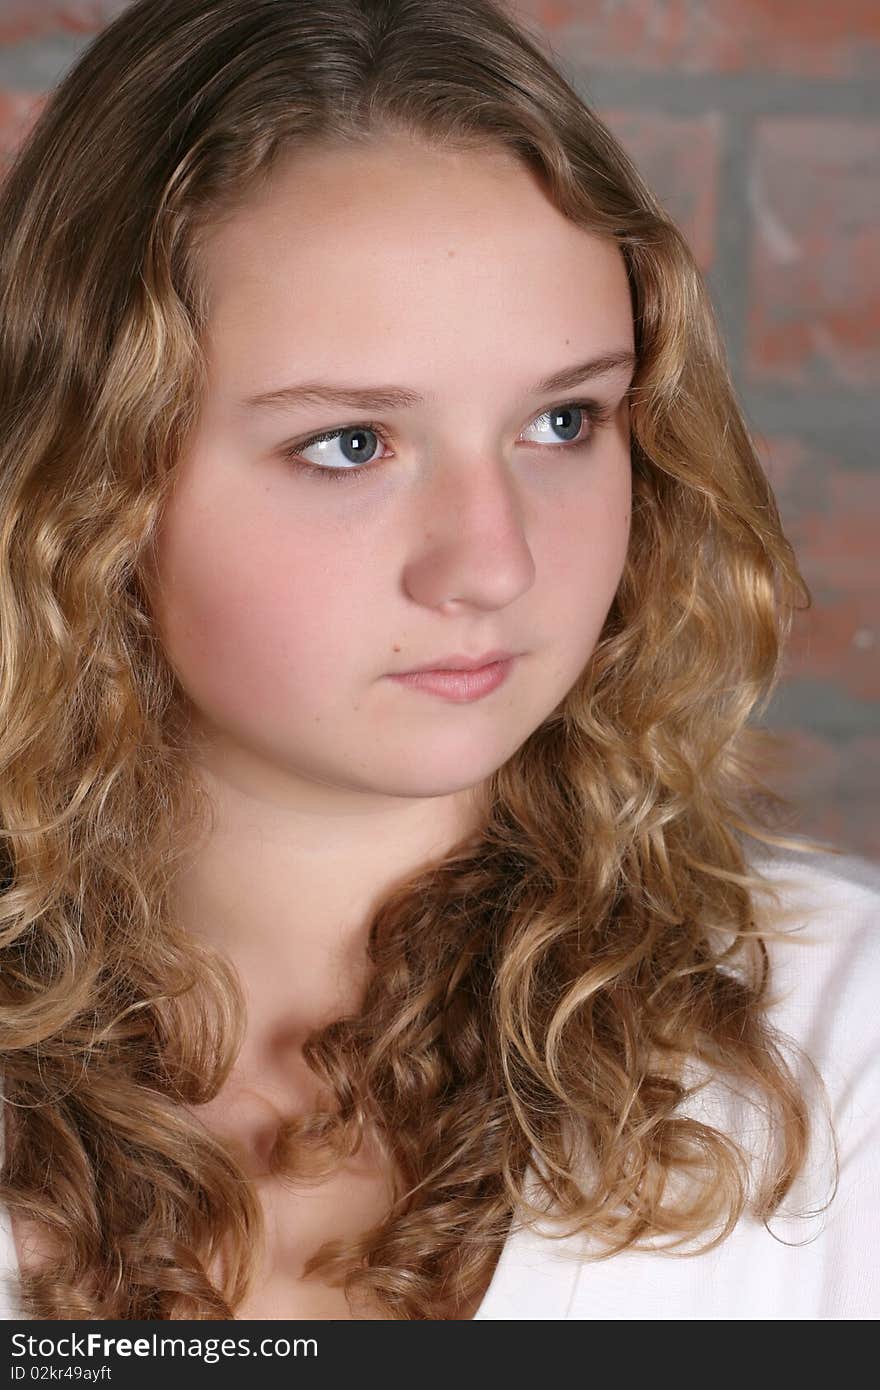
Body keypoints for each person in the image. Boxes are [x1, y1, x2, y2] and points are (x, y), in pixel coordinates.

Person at [0, 0, 876, 1322]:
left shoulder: (838, 1051)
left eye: (565, 419)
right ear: (89, 474)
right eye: (352, 442)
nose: (495, 563)